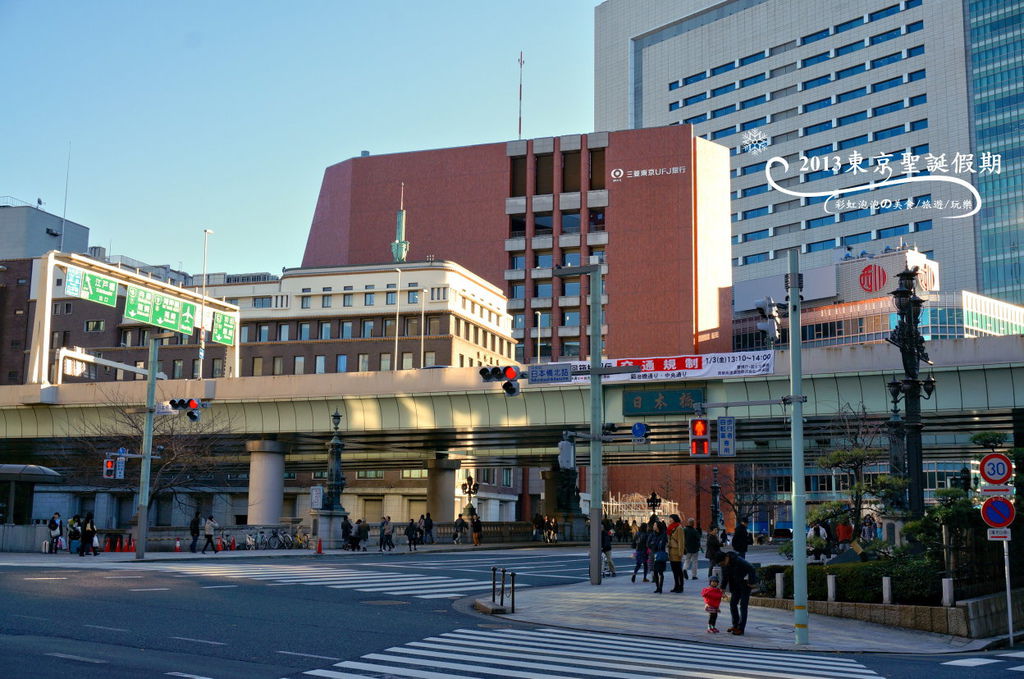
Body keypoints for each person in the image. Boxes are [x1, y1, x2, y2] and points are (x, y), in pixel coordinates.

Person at [714, 550, 758, 635]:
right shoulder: (724, 565)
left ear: (726, 558)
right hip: (735, 586)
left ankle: (741, 629)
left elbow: (751, 568)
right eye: (720, 564)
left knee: (743, 606)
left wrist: (751, 582)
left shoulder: (738, 560)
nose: (722, 565)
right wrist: (722, 588)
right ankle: (735, 625)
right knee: (733, 604)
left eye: (722, 563)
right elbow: (725, 576)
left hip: (745, 585)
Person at [648, 521, 669, 594]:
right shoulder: (652, 534)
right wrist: (654, 545)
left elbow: (663, 544)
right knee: (655, 572)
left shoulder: (663, 534)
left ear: (658, 527)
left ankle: (660, 587)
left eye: (655, 525)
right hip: (653, 554)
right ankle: (657, 587)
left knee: (660, 572)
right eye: (653, 525)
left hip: (660, 555)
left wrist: (654, 544)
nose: (653, 526)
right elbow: (648, 543)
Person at [666, 514, 685, 593]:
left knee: (678, 570)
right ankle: (676, 585)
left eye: (671, 519)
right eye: (669, 519)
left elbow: (681, 541)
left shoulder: (679, 528)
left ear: (675, 519)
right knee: (674, 570)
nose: (670, 520)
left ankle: (680, 586)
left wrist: (681, 552)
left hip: (677, 551)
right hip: (671, 551)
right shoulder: (670, 527)